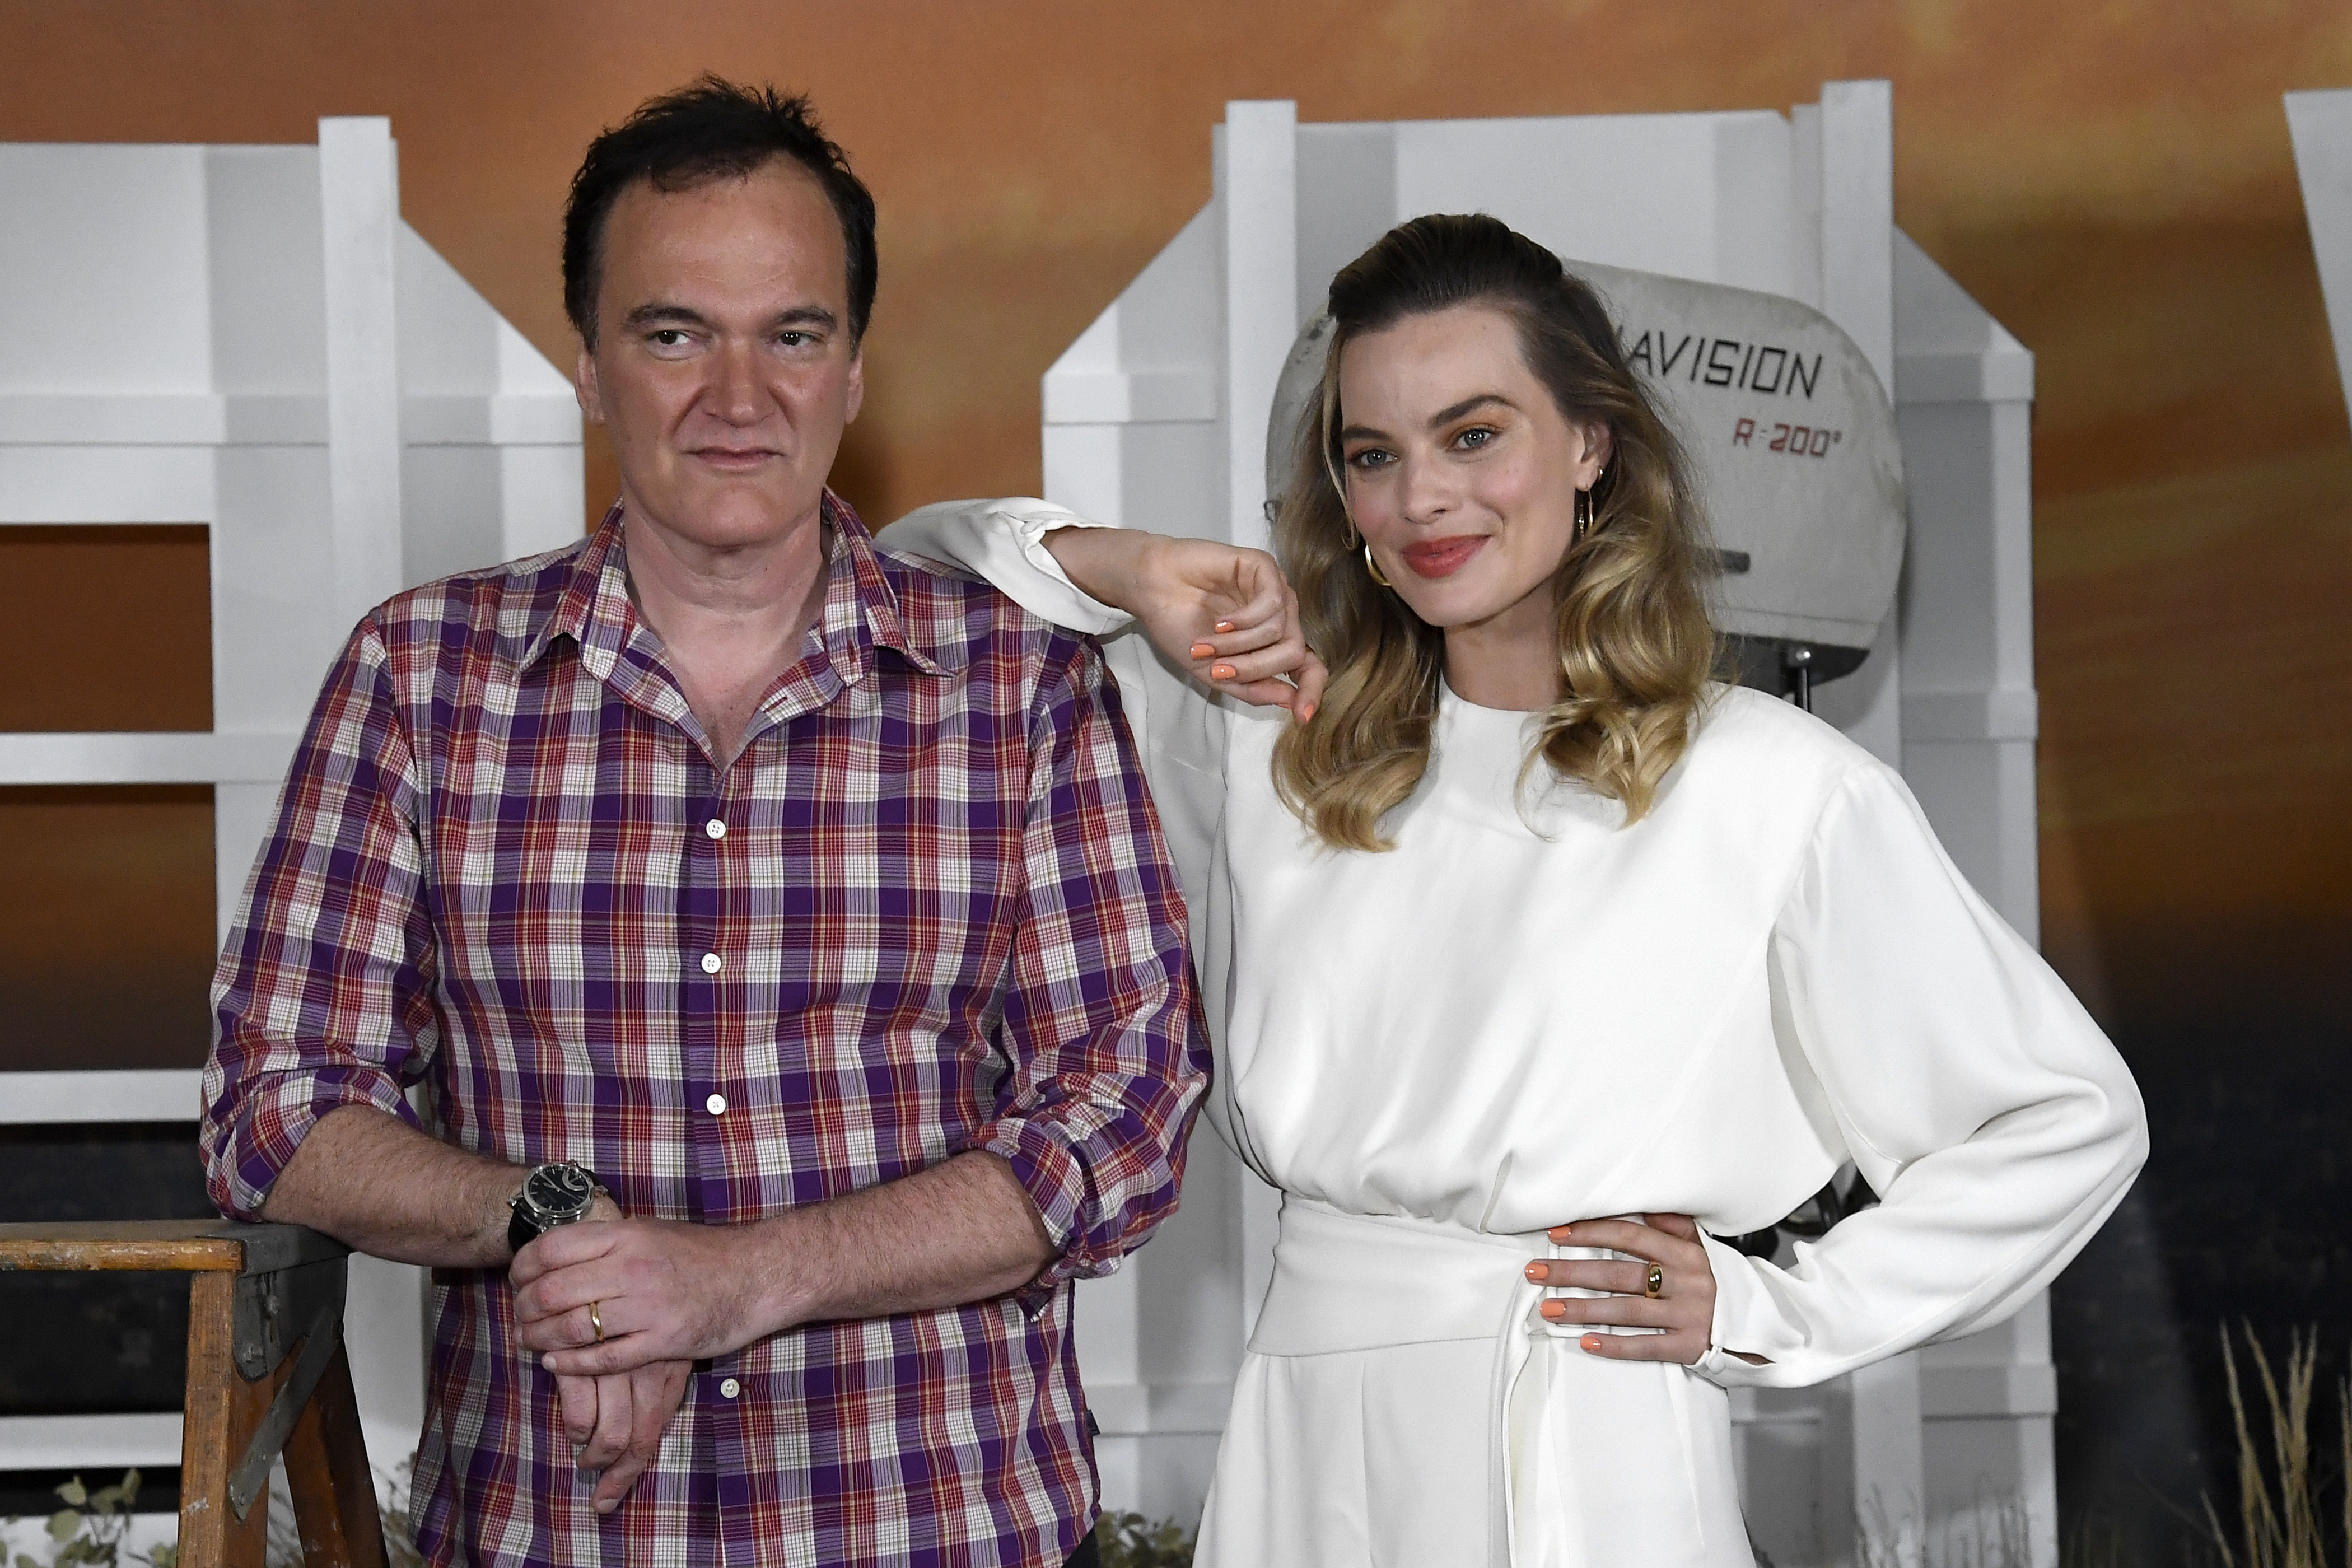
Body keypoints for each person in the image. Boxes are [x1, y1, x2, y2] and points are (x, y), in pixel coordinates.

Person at [887, 213, 2147, 1565]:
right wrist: (1129, 566)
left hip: (1588, 1440)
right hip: (1303, 1435)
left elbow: (2066, 1119)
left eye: (1474, 434)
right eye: (1374, 454)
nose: (1424, 497)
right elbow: (907, 575)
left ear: (1592, 442)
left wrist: (1775, 1308)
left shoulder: (1771, 784)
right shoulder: (1272, 738)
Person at [200, 78, 1209, 1568]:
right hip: (556, 1534)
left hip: (944, 1527)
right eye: (675, 334)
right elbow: (272, 1106)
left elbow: (1124, 1108)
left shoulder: (1022, 686)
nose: (739, 398)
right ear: (590, 367)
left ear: (853, 370)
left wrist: (734, 1281)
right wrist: (550, 1216)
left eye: (790, 335)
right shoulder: (422, 677)